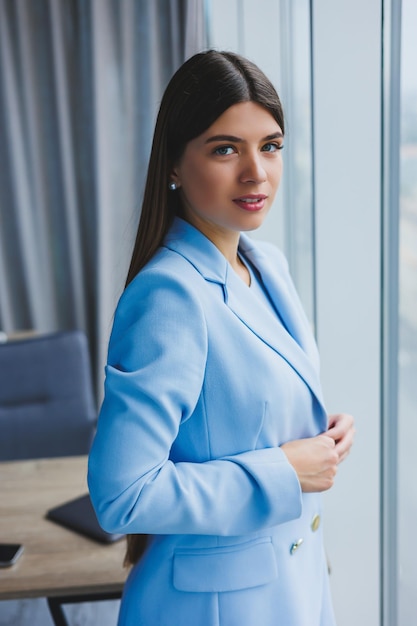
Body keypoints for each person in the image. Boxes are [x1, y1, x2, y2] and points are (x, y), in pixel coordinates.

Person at [88, 49, 355, 626]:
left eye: (271, 145)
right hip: (216, 607)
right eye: (226, 149)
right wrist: (286, 469)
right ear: (174, 166)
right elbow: (121, 495)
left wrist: (318, 438)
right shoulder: (169, 297)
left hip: (291, 583)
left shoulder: (267, 267)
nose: (257, 171)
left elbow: (238, 413)